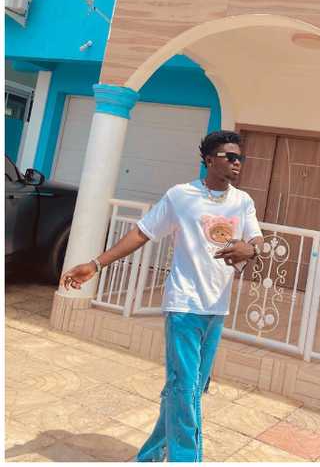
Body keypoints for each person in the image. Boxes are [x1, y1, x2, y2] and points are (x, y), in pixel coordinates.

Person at [60, 130, 264, 461]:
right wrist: (97, 264)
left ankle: (152, 453)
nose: (237, 163)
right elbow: (142, 233)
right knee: (185, 388)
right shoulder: (181, 196)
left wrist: (250, 249)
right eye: (230, 157)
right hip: (184, 304)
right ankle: (186, 458)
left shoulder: (243, 202)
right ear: (210, 160)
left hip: (217, 307)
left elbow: (258, 241)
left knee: (190, 387)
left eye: (240, 157)